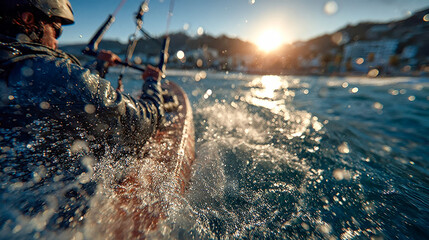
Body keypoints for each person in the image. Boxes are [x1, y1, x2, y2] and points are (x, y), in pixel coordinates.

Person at [0, 0, 169, 235]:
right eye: (56, 29)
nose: (57, 40)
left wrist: (99, 65)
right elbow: (142, 122)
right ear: (28, 19)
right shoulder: (56, 77)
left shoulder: (19, 71)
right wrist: (152, 84)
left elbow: (64, 90)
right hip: (61, 227)